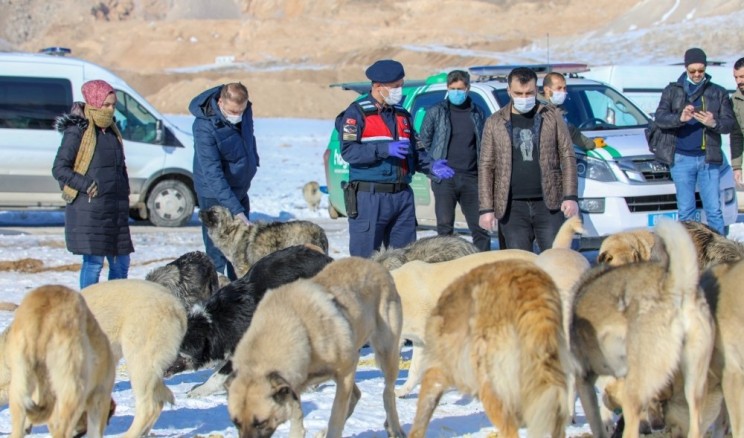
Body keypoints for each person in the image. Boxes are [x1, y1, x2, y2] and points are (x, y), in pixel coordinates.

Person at [337, 59, 454, 257]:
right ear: (377, 86)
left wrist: (431, 166)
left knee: (405, 258)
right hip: (370, 197)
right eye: (395, 87)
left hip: (402, 198)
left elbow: (416, 152)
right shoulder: (356, 113)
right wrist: (383, 149)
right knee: (366, 262)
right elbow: (349, 152)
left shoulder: (403, 115)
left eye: (401, 85)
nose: (399, 91)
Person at [478, 67, 579, 252]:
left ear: (537, 90)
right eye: (518, 93)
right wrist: (486, 208)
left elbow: (567, 155)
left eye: (529, 93)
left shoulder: (551, 116)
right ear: (509, 91)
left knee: (555, 259)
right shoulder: (494, 122)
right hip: (512, 207)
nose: (524, 98)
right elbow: (486, 165)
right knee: (520, 266)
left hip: (549, 204)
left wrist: (570, 196)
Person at [52, 80, 134, 289]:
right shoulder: (77, 131)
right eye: (105, 105)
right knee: (94, 264)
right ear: (94, 102)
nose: (110, 109)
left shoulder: (112, 131)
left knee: (121, 263)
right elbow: (60, 169)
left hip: (114, 210)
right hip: (90, 209)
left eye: (113, 105)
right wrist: (87, 184)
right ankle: (90, 308)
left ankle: (113, 306)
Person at [652, 48, 734, 235]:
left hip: (708, 159)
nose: (697, 74)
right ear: (686, 68)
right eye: (693, 71)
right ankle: (690, 252)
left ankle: (719, 254)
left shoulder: (718, 92)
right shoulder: (672, 91)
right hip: (681, 158)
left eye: (701, 70)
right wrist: (680, 118)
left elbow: (729, 124)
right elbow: (660, 118)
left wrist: (713, 122)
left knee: (714, 210)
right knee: (686, 211)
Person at [190, 82, 259, 280]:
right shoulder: (204, 126)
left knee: (240, 248)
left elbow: (248, 138)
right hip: (214, 193)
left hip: (239, 187)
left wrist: (253, 160)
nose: (237, 116)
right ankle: (217, 295)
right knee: (218, 251)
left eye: (241, 111)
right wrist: (236, 210)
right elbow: (213, 173)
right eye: (232, 111)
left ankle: (237, 295)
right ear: (220, 102)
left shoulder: (245, 111)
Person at [418, 70, 490, 251]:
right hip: (445, 179)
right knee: (444, 227)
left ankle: (483, 262)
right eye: (452, 88)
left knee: (480, 227)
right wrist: (433, 165)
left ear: (468, 88)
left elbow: (483, 143)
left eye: (460, 88)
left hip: (471, 178)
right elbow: (423, 142)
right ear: (447, 88)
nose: (456, 92)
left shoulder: (477, 113)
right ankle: (446, 264)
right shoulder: (436, 112)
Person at [541, 71, 605, 151]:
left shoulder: (557, 109)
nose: (563, 92)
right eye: (559, 88)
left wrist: (593, 144)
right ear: (547, 90)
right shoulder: (538, 110)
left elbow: (570, 131)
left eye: (564, 88)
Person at [730, 57, 744, 184]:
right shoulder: (735, 100)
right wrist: (737, 167)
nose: (739, 81)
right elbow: (736, 136)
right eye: (736, 77)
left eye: (742, 77)